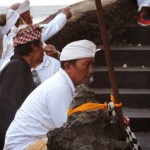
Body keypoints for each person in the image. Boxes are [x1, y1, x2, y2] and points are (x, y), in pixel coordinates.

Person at [4, 39, 100, 150]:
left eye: (92, 65)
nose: (91, 71)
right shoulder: (59, 88)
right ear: (68, 66)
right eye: (86, 65)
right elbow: (70, 131)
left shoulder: (63, 84)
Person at [0, 0, 72, 83]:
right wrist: (64, 14)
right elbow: (53, 26)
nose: (31, 17)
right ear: (22, 15)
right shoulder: (27, 33)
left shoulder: (9, 35)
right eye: (29, 13)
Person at [0, 24, 44, 149]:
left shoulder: (22, 68)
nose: (43, 50)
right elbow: (8, 109)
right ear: (33, 47)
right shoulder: (17, 67)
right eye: (41, 46)